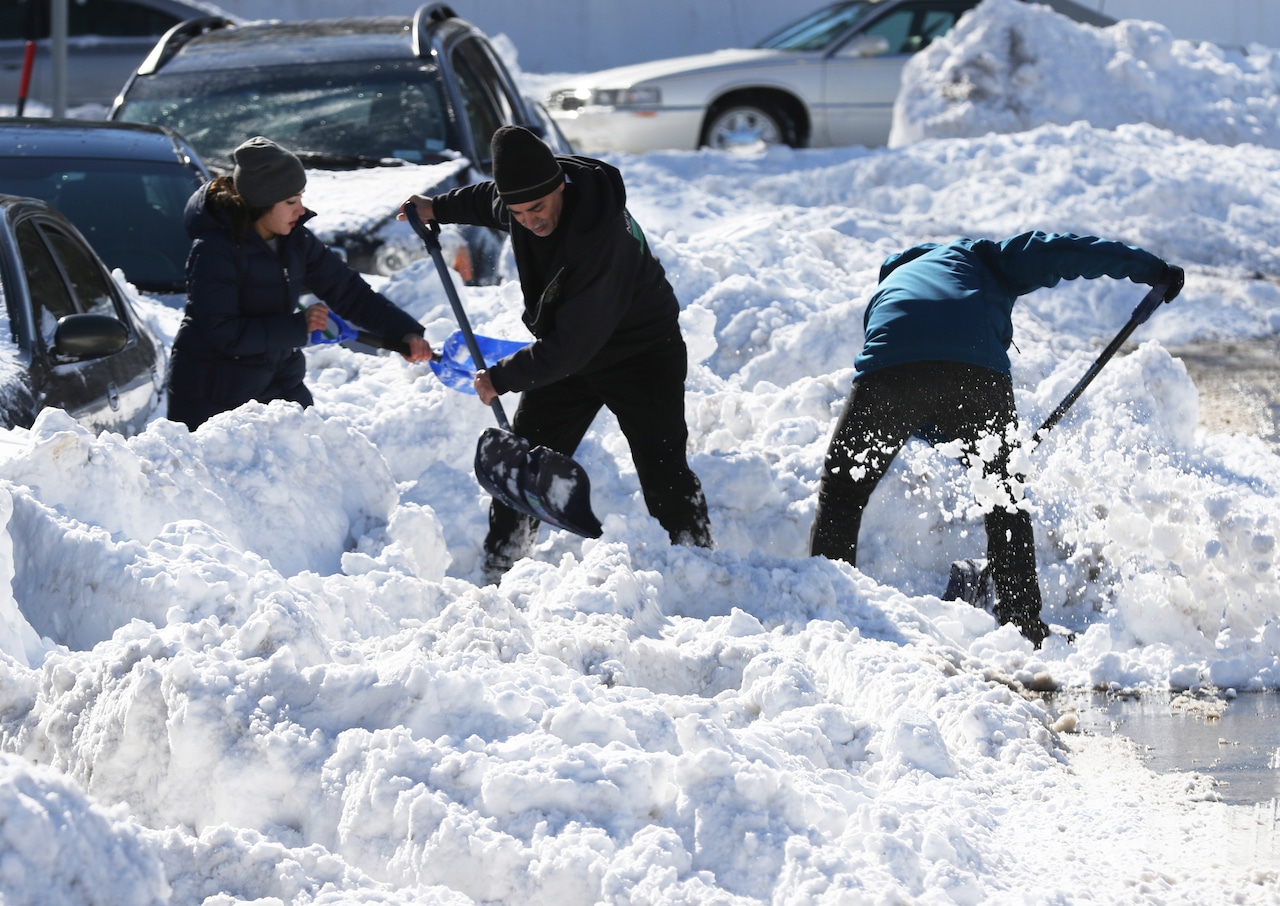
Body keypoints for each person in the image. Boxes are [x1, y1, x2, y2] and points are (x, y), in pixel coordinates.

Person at [808, 231, 1185, 646]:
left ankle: (830, 616)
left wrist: (944, 431)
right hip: (975, 372)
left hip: (889, 370)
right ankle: (1022, 624)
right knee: (1004, 498)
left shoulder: (891, 283)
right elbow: (1067, 252)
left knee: (843, 493)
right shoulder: (984, 259)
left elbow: (918, 384)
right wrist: (1152, 269)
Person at [399, 125, 712, 579]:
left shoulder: (599, 239)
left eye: (538, 208)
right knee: (522, 462)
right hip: (571, 350)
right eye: (518, 212)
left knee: (663, 471)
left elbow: (571, 348)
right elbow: (490, 199)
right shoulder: (527, 200)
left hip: (641, 354)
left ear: (559, 186)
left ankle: (699, 561)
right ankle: (503, 561)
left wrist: (501, 377)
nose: (529, 220)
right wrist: (437, 208)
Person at [167, 136, 433, 430]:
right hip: (213, 395)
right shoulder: (215, 251)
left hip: (278, 382)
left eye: (301, 197)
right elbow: (223, 332)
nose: (301, 209)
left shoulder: (296, 242)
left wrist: (404, 332)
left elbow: (349, 291)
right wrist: (298, 327)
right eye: (291, 201)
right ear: (260, 204)